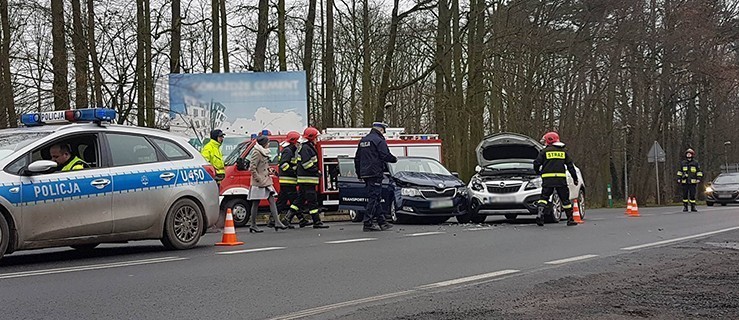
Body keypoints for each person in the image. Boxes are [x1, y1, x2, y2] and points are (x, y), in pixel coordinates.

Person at [354, 122, 397, 232]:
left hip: (366, 173)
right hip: (375, 173)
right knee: (373, 198)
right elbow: (385, 155)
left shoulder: (363, 140)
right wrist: (394, 159)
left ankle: (382, 222)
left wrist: (359, 173)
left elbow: (357, 159)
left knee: (376, 197)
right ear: (381, 130)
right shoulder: (378, 140)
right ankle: (367, 222)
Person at [533, 132, 579, 227]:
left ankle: (540, 215)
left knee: (544, 198)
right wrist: (575, 178)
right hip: (560, 180)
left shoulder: (544, 152)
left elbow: (536, 163)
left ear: (549, 141)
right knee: (565, 200)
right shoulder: (563, 152)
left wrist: (537, 172)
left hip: (547, 180)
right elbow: (570, 166)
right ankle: (570, 219)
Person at [247, 135, 289, 233]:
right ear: (264, 144)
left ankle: (277, 222)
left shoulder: (263, 152)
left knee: (272, 200)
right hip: (259, 182)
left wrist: (270, 170)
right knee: (256, 203)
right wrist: (258, 179)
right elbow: (252, 168)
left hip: (266, 181)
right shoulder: (257, 153)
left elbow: (263, 166)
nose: (269, 144)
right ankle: (253, 224)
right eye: (268, 142)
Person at [296, 127, 329, 229]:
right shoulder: (306, 148)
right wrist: (316, 171)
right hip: (308, 180)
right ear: (311, 138)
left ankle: (287, 218)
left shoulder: (306, 147)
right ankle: (317, 222)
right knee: (312, 201)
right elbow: (307, 164)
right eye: (316, 137)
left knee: (299, 201)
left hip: (305, 179)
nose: (317, 139)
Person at [277, 131, 312, 228]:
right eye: (297, 142)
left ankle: (273, 220)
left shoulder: (289, 150)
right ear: (294, 142)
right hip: (289, 180)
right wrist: (294, 172)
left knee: (282, 201)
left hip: (286, 181)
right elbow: (284, 165)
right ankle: (298, 220)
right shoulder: (288, 151)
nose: (299, 144)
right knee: (295, 201)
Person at [677, 148, 703, 212]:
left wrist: (698, 179)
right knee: (685, 195)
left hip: (692, 182)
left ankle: (693, 207)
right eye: (687, 154)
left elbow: (699, 172)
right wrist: (679, 178)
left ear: (692, 155)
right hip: (684, 182)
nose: (688, 155)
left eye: (690, 154)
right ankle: (685, 207)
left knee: (692, 195)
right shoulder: (683, 163)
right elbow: (680, 171)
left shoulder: (695, 163)